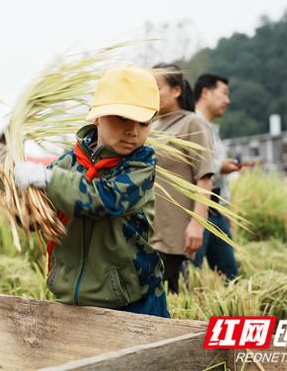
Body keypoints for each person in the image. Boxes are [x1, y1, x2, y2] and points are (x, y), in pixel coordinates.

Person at [13, 65, 169, 317]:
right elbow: (39, 219)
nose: (133, 130)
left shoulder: (140, 165)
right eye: (121, 118)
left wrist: (47, 178)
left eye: (143, 122)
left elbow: (104, 199)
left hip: (132, 300)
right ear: (96, 116)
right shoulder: (67, 164)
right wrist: (21, 200)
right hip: (72, 301)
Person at [149, 64, 214, 294]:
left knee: (175, 299)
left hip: (177, 234)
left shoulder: (191, 123)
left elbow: (204, 177)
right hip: (151, 230)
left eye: (156, 87)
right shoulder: (151, 128)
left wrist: (197, 224)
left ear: (176, 90)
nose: (150, 93)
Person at [192, 73, 239, 280]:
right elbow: (192, 168)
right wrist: (220, 167)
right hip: (197, 210)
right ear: (205, 92)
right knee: (190, 274)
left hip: (216, 210)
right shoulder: (191, 125)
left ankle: (232, 309)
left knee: (230, 273)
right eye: (224, 93)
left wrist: (224, 210)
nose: (227, 100)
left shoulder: (212, 129)